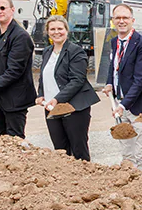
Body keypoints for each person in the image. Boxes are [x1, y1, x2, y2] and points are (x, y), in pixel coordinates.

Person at [102, 3, 142, 172]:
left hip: (139, 107)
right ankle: (128, 183)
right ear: (113, 21)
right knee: (126, 150)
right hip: (120, 104)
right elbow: (114, 66)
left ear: (132, 20)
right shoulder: (114, 42)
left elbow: (140, 80)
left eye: (125, 18)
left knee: (141, 151)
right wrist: (110, 82)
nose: (121, 21)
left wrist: (123, 105)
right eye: (117, 18)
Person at [35, 15, 98, 161]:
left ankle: (84, 178)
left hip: (73, 107)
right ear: (47, 32)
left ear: (66, 30)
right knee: (60, 150)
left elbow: (77, 80)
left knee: (78, 149)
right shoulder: (47, 52)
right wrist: (41, 94)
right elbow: (44, 77)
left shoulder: (76, 51)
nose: (56, 32)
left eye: (60, 28)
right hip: (51, 107)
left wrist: (57, 99)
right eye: (52, 29)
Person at [0, 0, 37, 138]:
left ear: (12, 10)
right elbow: (1, 59)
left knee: (14, 141)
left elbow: (15, 70)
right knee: (0, 138)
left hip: (14, 100)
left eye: (3, 7)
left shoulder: (20, 36)